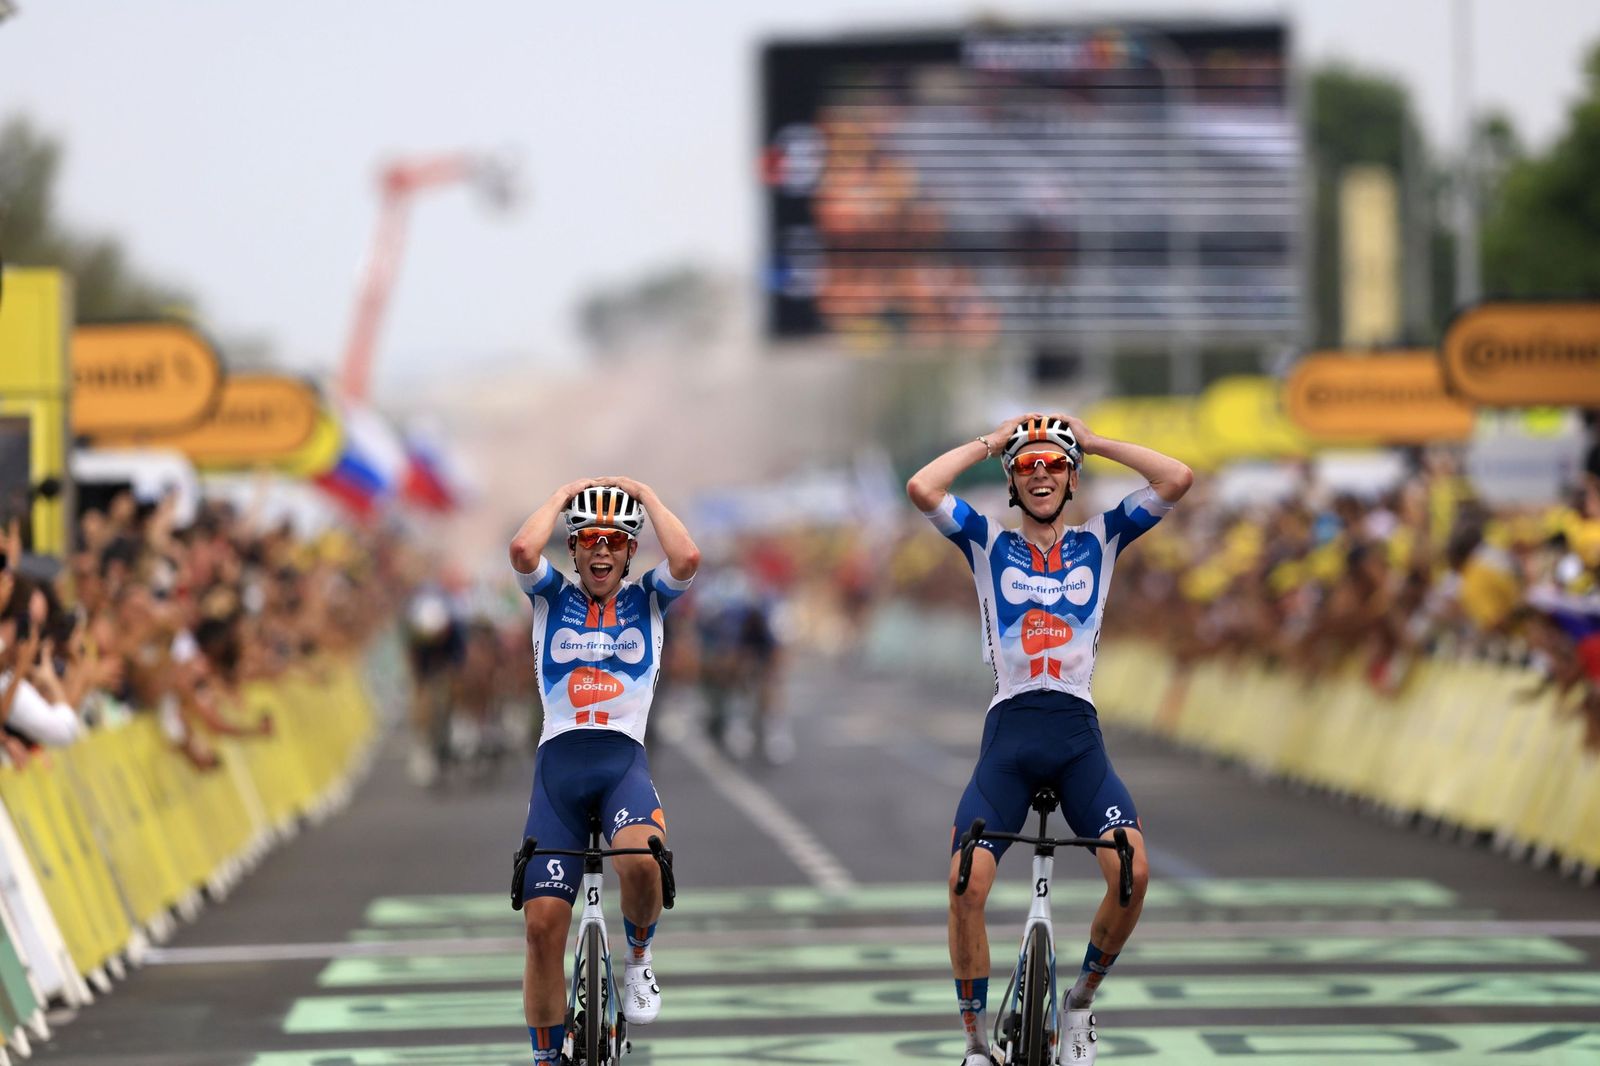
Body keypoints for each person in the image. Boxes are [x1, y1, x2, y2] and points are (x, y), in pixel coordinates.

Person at [906, 413, 1193, 1066]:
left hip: (1076, 735)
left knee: (1133, 871)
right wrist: (992, 441)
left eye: (1055, 465)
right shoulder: (987, 542)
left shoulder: (1103, 538)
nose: (1041, 474)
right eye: (1028, 466)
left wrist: (1093, 442)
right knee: (964, 887)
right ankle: (977, 1042)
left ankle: (1081, 1003)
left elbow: (1177, 478)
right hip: (1009, 733)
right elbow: (923, 488)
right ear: (1011, 479)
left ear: (1071, 478)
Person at [509, 477, 699, 1065]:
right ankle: (546, 1058)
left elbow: (687, 557)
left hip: (621, 762)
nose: (601, 550)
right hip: (559, 768)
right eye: (589, 538)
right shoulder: (549, 595)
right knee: (542, 929)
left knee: (645, 860)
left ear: (630, 550)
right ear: (573, 547)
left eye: (615, 541)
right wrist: (565, 494)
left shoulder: (649, 597)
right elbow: (521, 550)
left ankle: (639, 961)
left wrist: (644, 493)